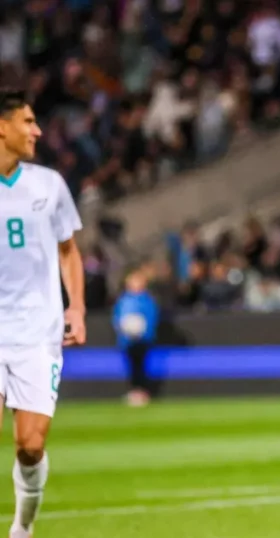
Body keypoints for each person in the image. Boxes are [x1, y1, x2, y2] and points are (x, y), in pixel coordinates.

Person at [0, 85, 86, 538]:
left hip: (38, 332)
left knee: (30, 446)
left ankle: (22, 526)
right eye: (27, 121)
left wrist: (78, 309)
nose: (36, 130)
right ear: (2, 126)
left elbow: (69, 251)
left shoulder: (48, 185)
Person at [112, 266, 161, 407]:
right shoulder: (123, 300)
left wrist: (144, 331)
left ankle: (142, 391)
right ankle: (134, 391)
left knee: (141, 365)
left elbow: (152, 318)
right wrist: (122, 328)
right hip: (127, 341)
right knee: (131, 366)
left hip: (143, 340)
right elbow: (117, 317)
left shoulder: (147, 300)